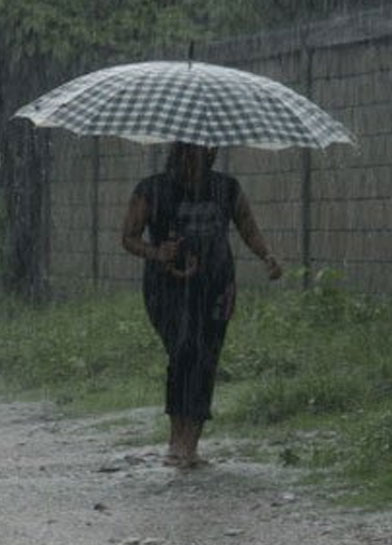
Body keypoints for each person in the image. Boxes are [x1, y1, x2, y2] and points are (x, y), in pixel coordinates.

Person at [120, 142, 283, 469]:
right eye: (190, 149)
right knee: (183, 350)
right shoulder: (152, 189)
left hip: (216, 287)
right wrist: (156, 252)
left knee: (205, 356)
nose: (198, 155)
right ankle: (176, 438)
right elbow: (129, 236)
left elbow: (247, 226)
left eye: (206, 149)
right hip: (166, 288)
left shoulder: (226, 187)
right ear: (177, 151)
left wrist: (266, 255)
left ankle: (189, 444)